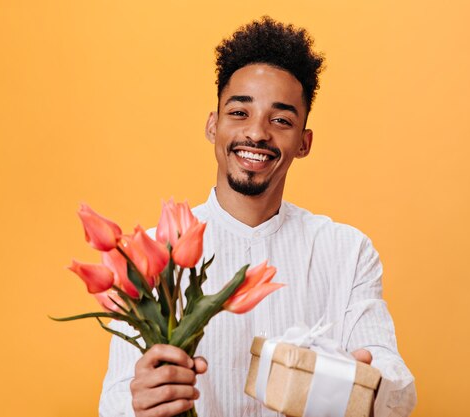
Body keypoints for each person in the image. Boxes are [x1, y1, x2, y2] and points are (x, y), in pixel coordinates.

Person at [99, 17, 417, 417]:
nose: (257, 133)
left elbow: (396, 388)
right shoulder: (151, 255)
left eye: (280, 119)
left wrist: (364, 385)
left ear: (304, 142)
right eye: (239, 112)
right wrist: (140, 403)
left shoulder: (347, 251)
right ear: (213, 125)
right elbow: (114, 402)